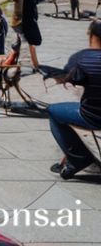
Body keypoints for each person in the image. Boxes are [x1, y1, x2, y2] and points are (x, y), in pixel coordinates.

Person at [48, 20, 101, 179]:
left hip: (92, 116)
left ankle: (78, 158)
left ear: (91, 36)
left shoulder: (82, 57)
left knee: (53, 111)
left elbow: (67, 77)